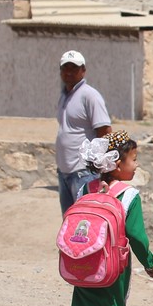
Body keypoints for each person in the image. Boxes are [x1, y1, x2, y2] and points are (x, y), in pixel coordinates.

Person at [64, 130, 153, 306]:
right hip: (115, 267)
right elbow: (137, 237)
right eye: (134, 159)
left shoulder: (85, 188)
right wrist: (151, 263)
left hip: (85, 261)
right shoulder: (129, 195)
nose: (137, 164)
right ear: (117, 165)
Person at [55, 50, 111, 213]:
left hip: (83, 172)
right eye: (66, 68)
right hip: (64, 172)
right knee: (69, 221)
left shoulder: (90, 96)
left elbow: (105, 130)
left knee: (84, 220)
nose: (69, 72)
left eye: (74, 68)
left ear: (83, 70)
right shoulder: (64, 96)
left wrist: (98, 165)